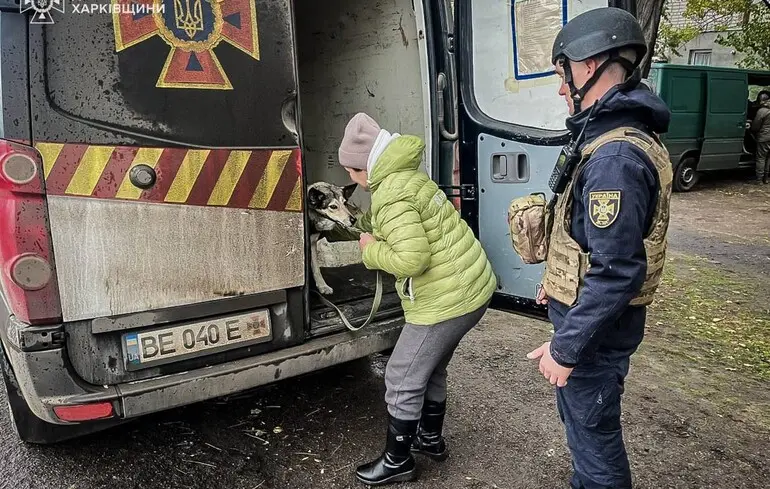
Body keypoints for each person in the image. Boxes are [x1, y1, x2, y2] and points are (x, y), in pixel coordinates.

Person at [524, 8, 673, 489]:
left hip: (595, 336)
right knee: (584, 429)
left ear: (587, 66)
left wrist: (565, 349)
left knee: (595, 442)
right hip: (593, 322)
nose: (560, 87)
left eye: (560, 73)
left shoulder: (615, 157)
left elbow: (617, 271)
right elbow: (590, 240)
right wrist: (559, 283)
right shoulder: (607, 139)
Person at [336, 113, 496, 486]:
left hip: (446, 300)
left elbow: (412, 259)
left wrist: (368, 250)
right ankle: (430, 439)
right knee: (431, 367)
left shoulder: (390, 194)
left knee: (401, 375)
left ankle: (398, 461)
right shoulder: (405, 176)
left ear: (364, 166)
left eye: (352, 173)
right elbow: (395, 220)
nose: (352, 181)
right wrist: (358, 226)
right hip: (471, 289)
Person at [751, 90, 770, 184]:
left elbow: (755, 126)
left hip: (764, 137)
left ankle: (759, 179)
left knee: (761, 158)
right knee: (768, 158)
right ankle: (766, 178)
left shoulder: (762, 111)